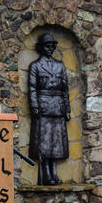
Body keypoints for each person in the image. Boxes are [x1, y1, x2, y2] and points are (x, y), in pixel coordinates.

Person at [28, 33, 71, 186]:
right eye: (47, 46)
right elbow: (32, 88)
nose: (50, 49)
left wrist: (67, 109)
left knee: (56, 142)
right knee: (44, 142)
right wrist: (34, 105)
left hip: (58, 106)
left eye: (52, 46)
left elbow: (65, 89)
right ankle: (46, 173)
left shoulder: (60, 65)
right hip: (43, 106)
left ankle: (54, 171)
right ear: (40, 48)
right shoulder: (35, 66)